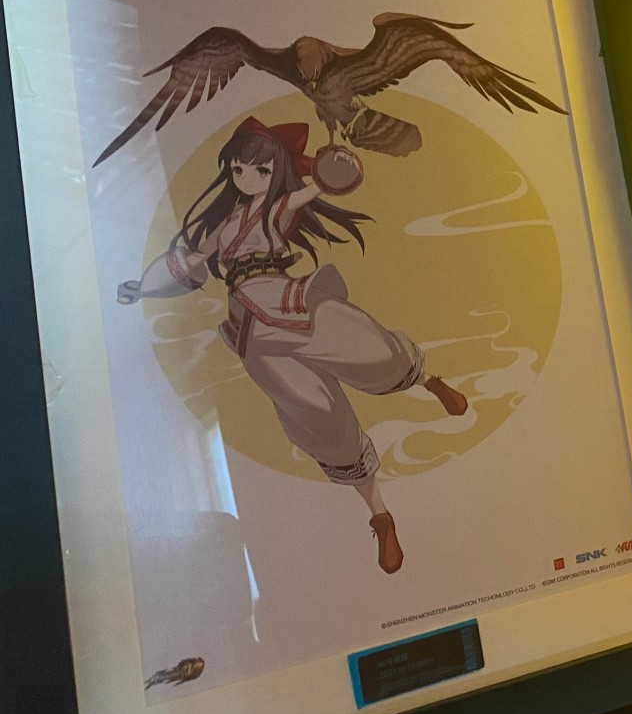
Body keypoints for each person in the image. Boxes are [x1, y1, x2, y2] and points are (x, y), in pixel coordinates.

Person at [118, 116, 469, 573]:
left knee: (368, 346)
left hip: (290, 300)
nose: (247, 177)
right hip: (251, 328)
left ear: (276, 171)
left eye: (261, 170)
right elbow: (191, 263)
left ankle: (429, 381)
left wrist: (335, 168)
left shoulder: (278, 207)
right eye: (239, 168)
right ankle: (380, 516)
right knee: (316, 413)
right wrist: (143, 289)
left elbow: (317, 188)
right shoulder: (224, 225)